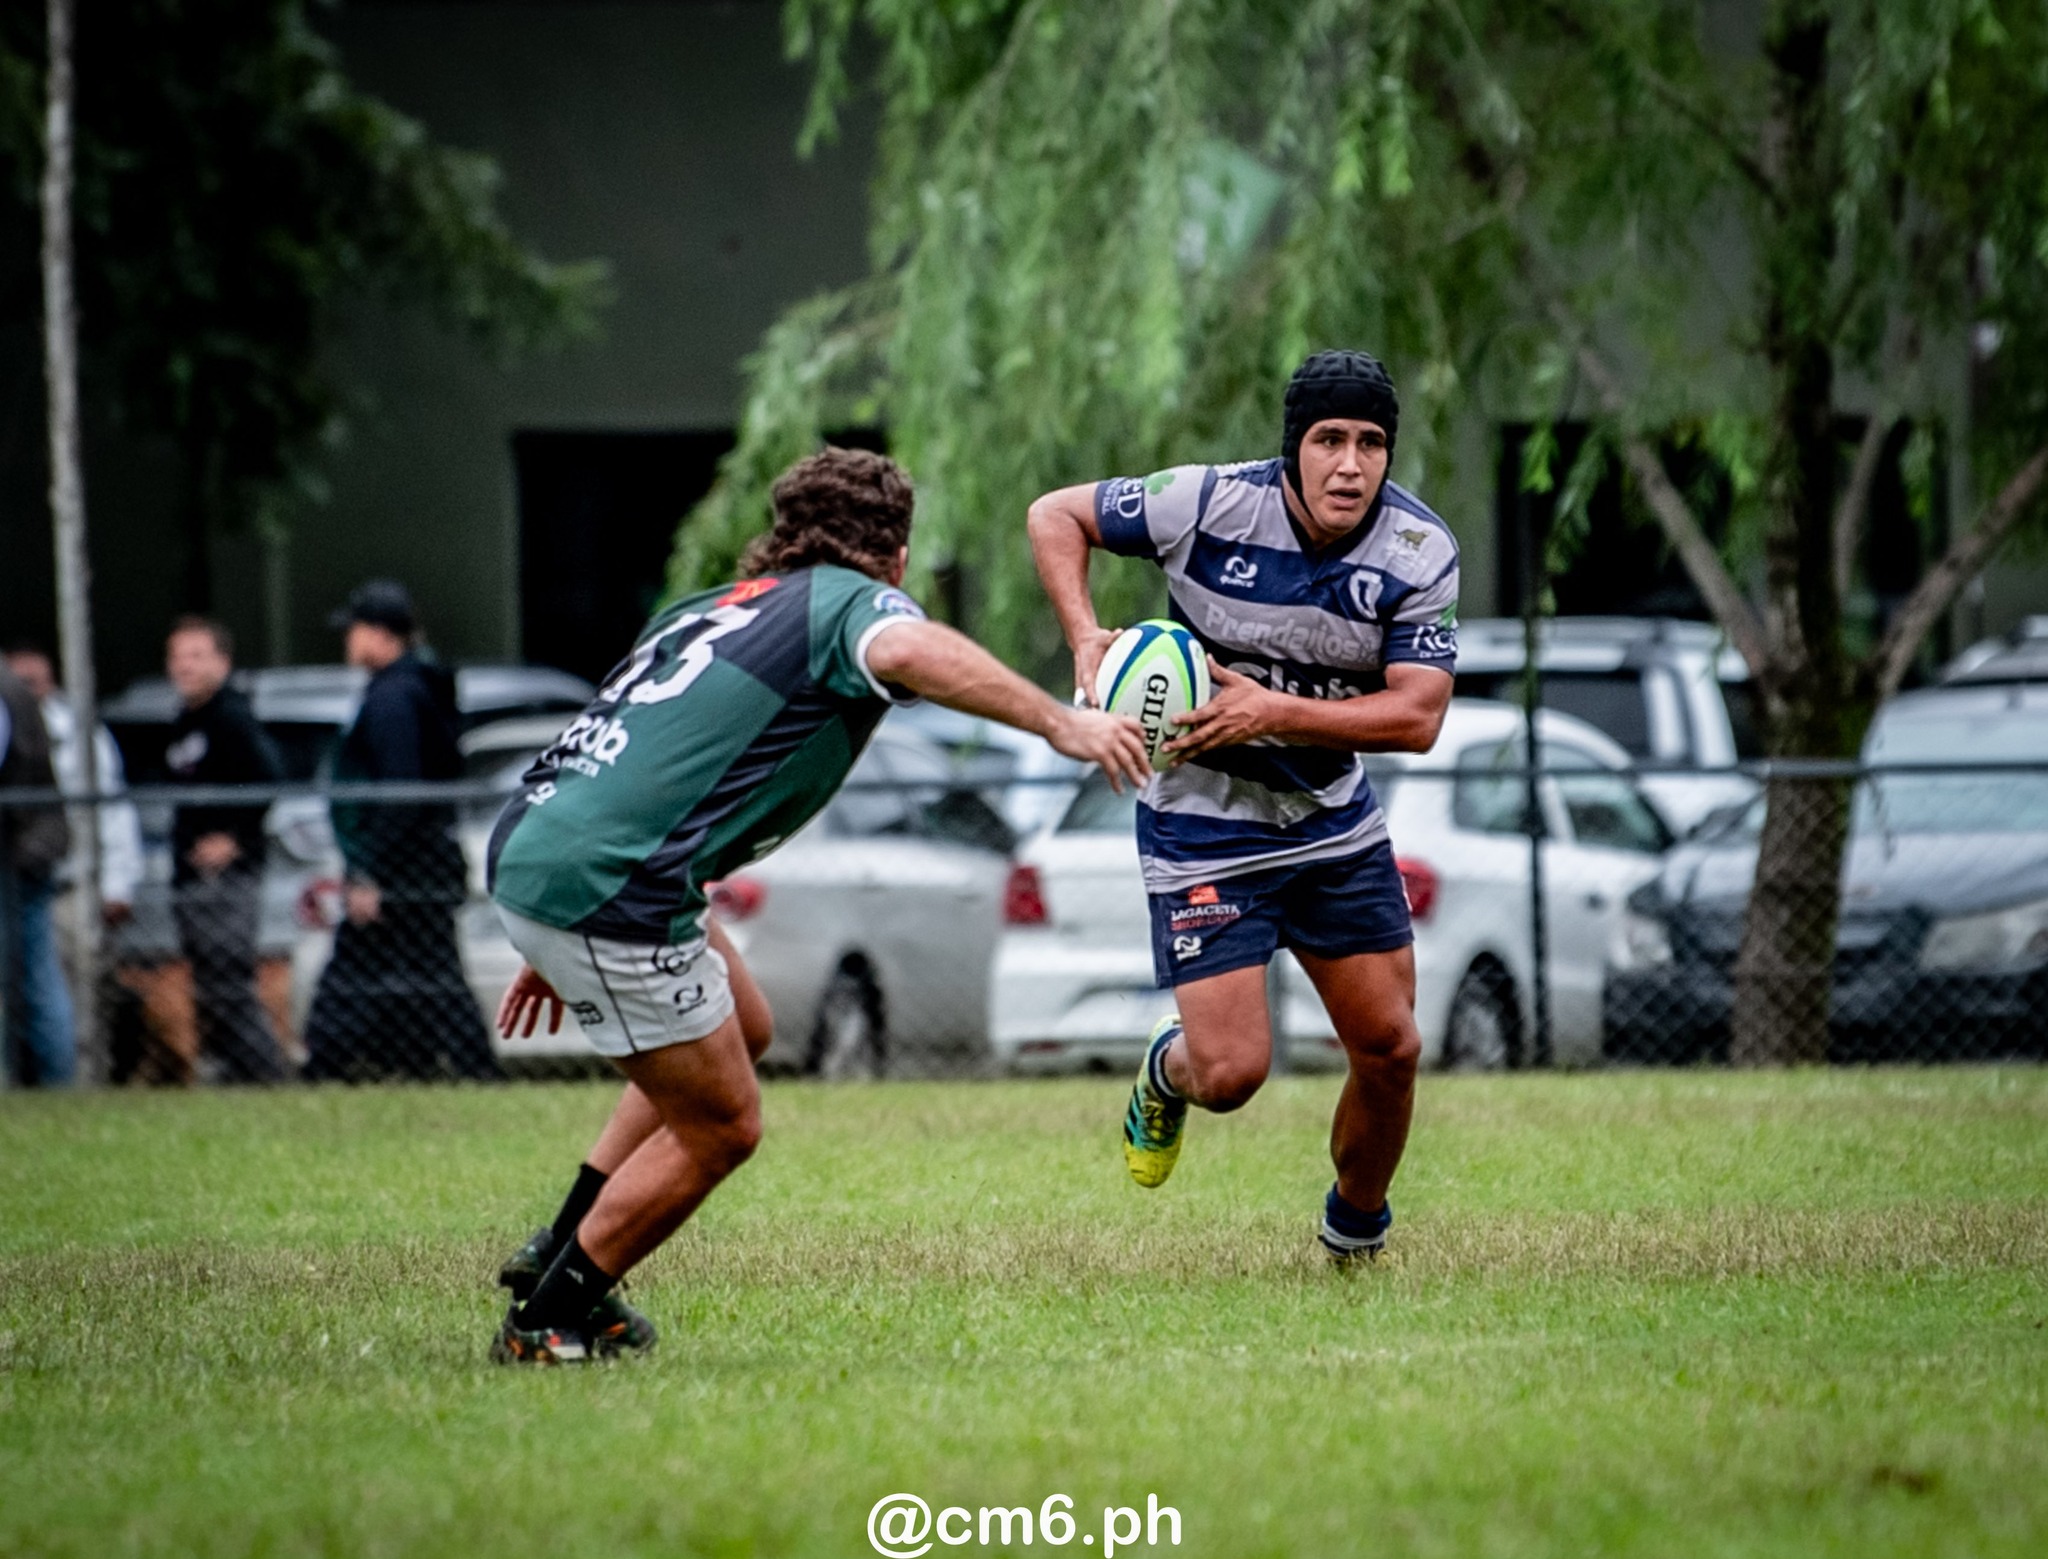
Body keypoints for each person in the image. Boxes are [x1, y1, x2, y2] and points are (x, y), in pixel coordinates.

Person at [486, 447, 1151, 1363]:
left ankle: (558, 1244)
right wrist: (1059, 719)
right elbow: (908, 646)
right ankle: (553, 1312)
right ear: (899, 555)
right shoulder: (850, 601)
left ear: (785, 533)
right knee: (724, 1123)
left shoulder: (712, 606)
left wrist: (553, 918)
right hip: (609, 881)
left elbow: (634, 746)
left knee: (744, 1025)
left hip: (553, 851)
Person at [1025, 349, 1457, 1262]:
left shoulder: (1419, 551)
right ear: (1293, 444)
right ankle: (1165, 1068)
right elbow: (1054, 514)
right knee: (1229, 1075)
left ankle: (1355, 1230)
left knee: (1391, 1047)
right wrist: (1085, 640)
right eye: (1329, 439)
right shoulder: (1207, 501)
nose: (1350, 463)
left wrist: (1274, 710)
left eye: (1372, 442)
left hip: (1331, 820)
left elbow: (1419, 716)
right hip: (1201, 822)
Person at [301, 582, 501, 1082]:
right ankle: (424, 1068)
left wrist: (372, 871)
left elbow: (400, 788)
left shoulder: (394, 696)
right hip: (422, 859)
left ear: (381, 635)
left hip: (403, 865)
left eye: (355, 629)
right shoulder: (416, 688)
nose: (347, 640)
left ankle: (324, 1071)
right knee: (423, 975)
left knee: (392, 976)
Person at [6, 645, 145, 1076]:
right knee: (37, 985)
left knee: (72, 986)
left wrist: (118, 881)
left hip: (70, 879)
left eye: (35, 681)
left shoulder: (81, 734)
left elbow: (113, 811)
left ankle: (75, 1080)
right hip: (39, 865)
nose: (27, 688)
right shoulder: (27, 722)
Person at [163, 616, 288, 1083]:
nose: (184, 666)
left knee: (228, 978)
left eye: (196, 655)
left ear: (223, 661)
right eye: (176, 657)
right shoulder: (186, 718)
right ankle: (232, 1073)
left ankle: (264, 1075)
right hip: (190, 873)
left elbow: (269, 779)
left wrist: (233, 837)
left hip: (227, 877)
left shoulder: (230, 716)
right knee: (210, 981)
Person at [0, 661, 74, 1086]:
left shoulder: (4, 690)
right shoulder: (13, 688)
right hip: (30, 843)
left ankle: (53, 1086)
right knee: (35, 975)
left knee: (35, 979)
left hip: (19, 851)